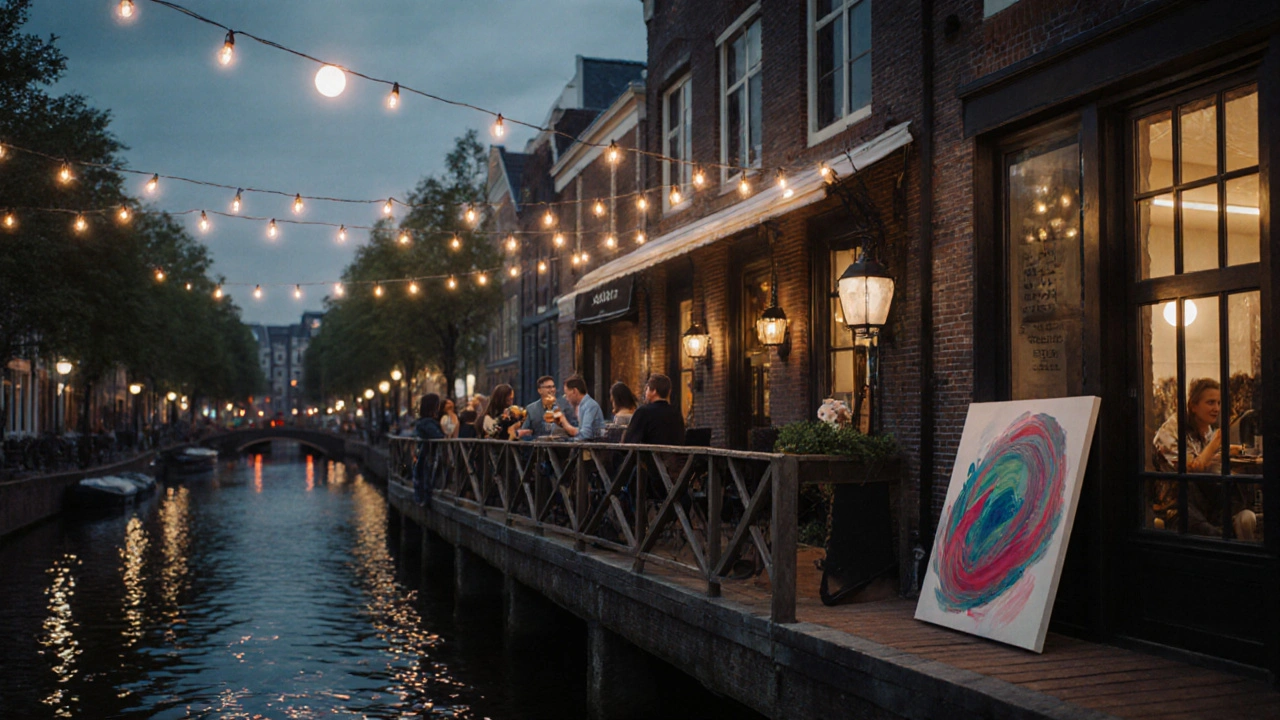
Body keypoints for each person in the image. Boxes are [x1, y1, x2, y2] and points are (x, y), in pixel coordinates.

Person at [1152, 377, 1256, 540]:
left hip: (1205, 499)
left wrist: (1240, 451)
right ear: (1193, 406)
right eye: (1210, 403)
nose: (1216, 408)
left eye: (1218, 403)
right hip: (1177, 503)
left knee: (1239, 490)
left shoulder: (1207, 429)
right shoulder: (1170, 431)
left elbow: (1210, 457)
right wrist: (1217, 442)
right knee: (1214, 536)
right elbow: (1191, 468)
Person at [623, 373, 685, 446]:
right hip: (673, 457)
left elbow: (629, 441)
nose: (645, 393)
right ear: (669, 391)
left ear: (654, 391)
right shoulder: (676, 413)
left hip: (649, 456)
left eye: (647, 389)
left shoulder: (643, 412)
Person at [413, 394, 445, 504]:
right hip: (428, 454)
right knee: (426, 474)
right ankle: (425, 497)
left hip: (424, 453)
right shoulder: (427, 423)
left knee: (422, 474)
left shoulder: (422, 422)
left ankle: (422, 496)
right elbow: (438, 437)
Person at [555, 375, 605, 441]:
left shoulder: (590, 406)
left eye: (566, 394)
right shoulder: (582, 406)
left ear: (574, 391)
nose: (566, 399)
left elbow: (585, 435)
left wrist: (564, 422)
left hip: (594, 448)